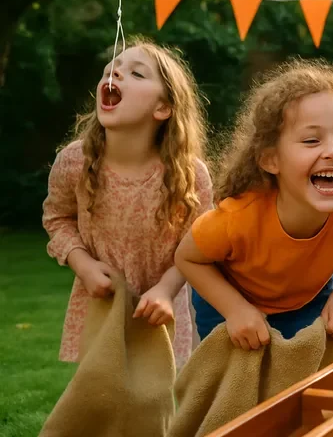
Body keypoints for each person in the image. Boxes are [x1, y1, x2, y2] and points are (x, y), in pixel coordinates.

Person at [174, 59, 333, 350]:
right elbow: (188, 258)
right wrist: (235, 310)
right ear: (270, 160)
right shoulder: (237, 218)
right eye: (312, 140)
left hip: (309, 301)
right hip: (228, 301)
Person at [42, 36, 213, 369]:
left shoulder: (190, 176)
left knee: (156, 405)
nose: (115, 75)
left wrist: (166, 288)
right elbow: (57, 217)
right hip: (100, 304)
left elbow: (200, 244)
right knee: (100, 399)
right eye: (111, 70)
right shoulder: (76, 162)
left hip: (161, 310)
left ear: (163, 108)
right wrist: (84, 265)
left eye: (136, 74)